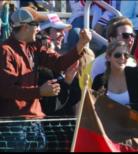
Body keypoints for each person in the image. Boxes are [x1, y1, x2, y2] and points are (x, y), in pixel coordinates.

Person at [0, 7, 91, 151]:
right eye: (36, 25)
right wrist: (40, 92)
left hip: (35, 123)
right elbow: (6, 90)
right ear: (24, 27)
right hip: (15, 125)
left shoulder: (34, 46)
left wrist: (81, 44)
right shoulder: (6, 51)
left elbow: (59, 63)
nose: (39, 29)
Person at [37, 13, 82, 116]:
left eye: (63, 30)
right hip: (48, 127)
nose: (63, 34)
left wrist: (69, 81)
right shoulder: (39, 64)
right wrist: (66, 82)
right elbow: (51, 106)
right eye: (58, 30)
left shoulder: (60, 60)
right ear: (43, 33)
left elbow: (73, 99)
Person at [92, 41, 138, 113]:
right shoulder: (99, 80)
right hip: (107, 123)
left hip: (132, 122)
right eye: (118, 55)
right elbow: (93, 107)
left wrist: (130, 108)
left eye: (126, 55)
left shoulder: (137, 74)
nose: (122, 58)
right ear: (108, 57)